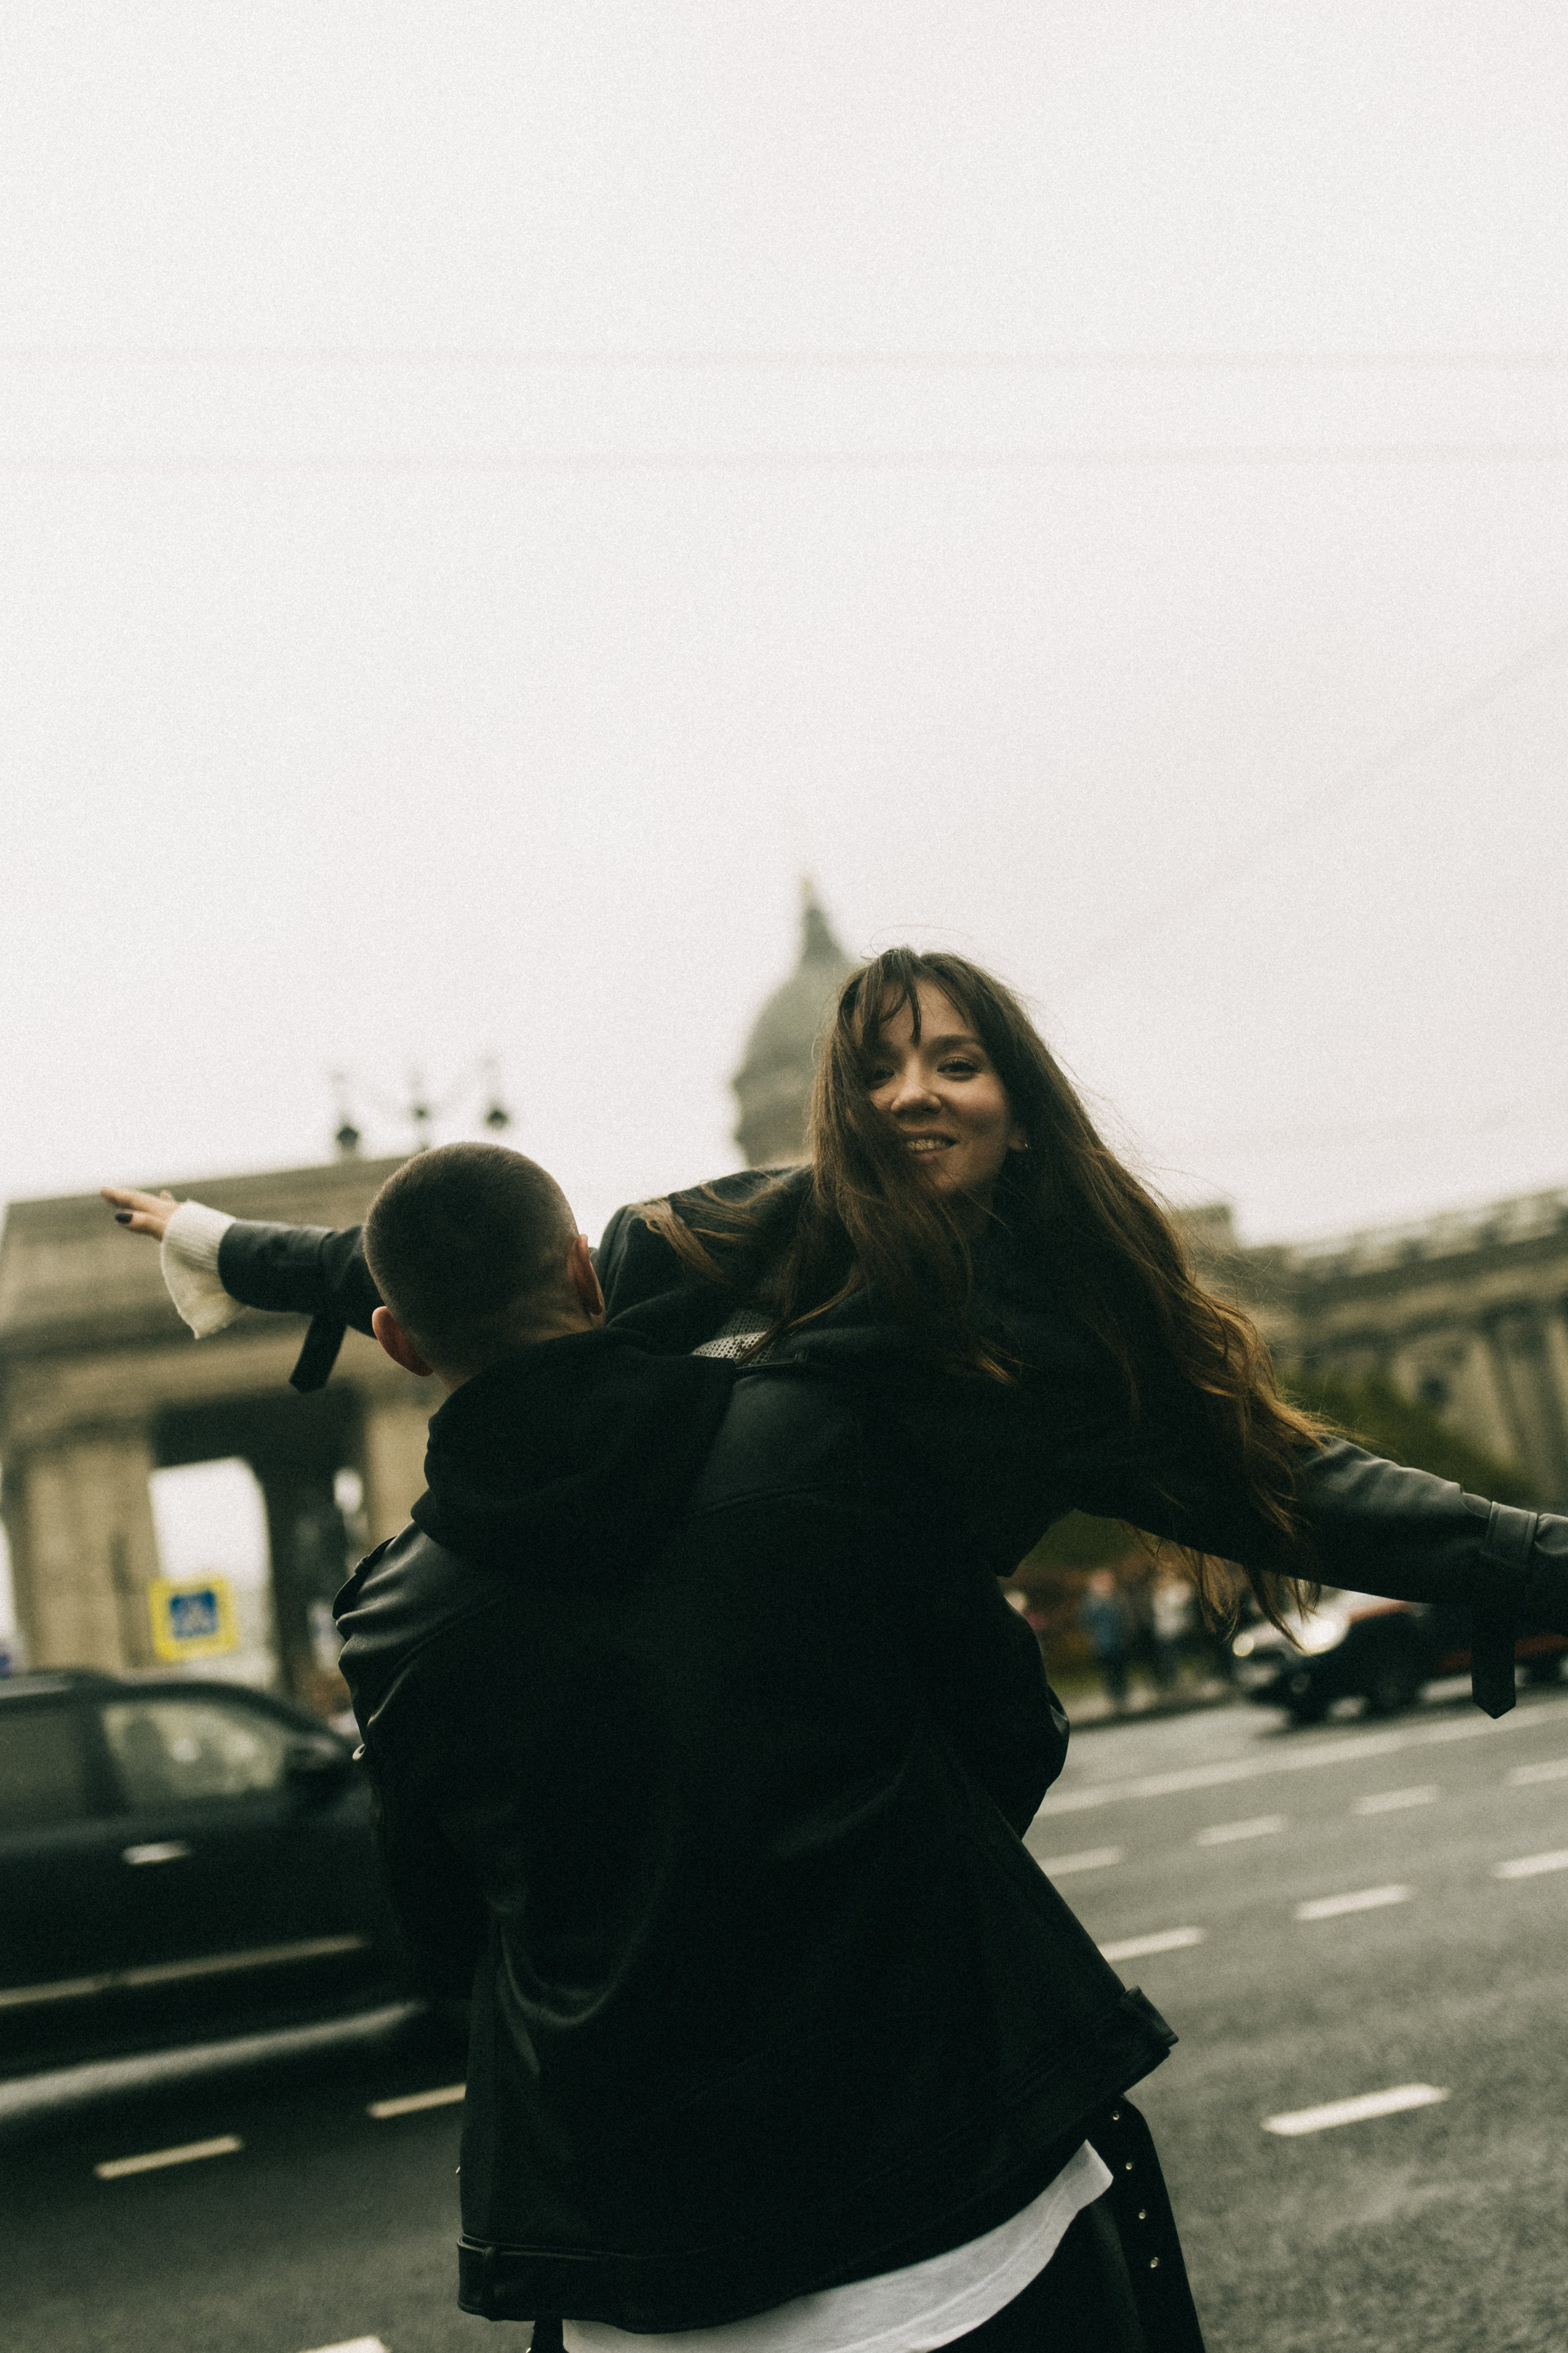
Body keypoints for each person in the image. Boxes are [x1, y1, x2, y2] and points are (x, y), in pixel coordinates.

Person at [105, 945, 1568, 2348]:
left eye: (956, 1060)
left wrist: (1525, 1562)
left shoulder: (1065, 1327)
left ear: (1022, 1102)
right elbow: (461, 1267)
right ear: (827, 1108)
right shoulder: (735, 1234)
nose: (916, 1093)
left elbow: (1296, 1481)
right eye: (875, 1069)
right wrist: (218, 1244)